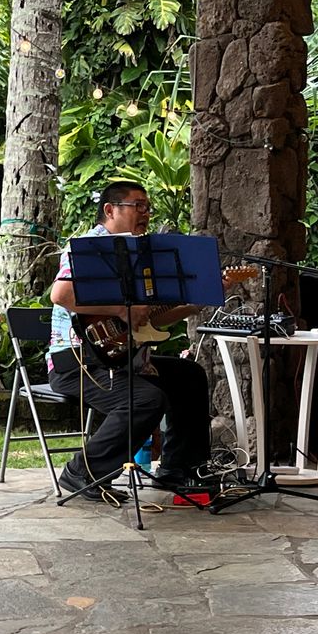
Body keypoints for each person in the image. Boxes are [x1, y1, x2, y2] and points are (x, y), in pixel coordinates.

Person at [46, 180, 218, 501]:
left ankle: (178, 470)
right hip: (79, 362)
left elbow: (145, 319)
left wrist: (192, 305)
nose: (145, 213)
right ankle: (83, 472)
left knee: (188, 375)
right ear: (110, 210)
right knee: (146, 399)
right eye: (137, 206)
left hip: (120, 357)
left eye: (147, 207)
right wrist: (120, 310)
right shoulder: (88, 247)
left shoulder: (140, 256)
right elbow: (61, 294)